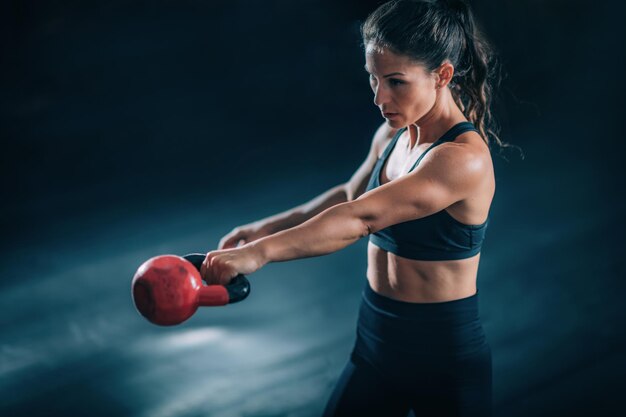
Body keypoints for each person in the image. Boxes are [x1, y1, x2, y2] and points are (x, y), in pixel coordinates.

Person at [201, 0, 511, 415]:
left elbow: (361, 217)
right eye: (374, 79)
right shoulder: (392, 135)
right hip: (376, 340)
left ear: (442, 75)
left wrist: (258, 255)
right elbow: (349, 196)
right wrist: (262, 229)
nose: (380, 96)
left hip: (443, 356)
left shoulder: (461, 160)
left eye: (396, 82)